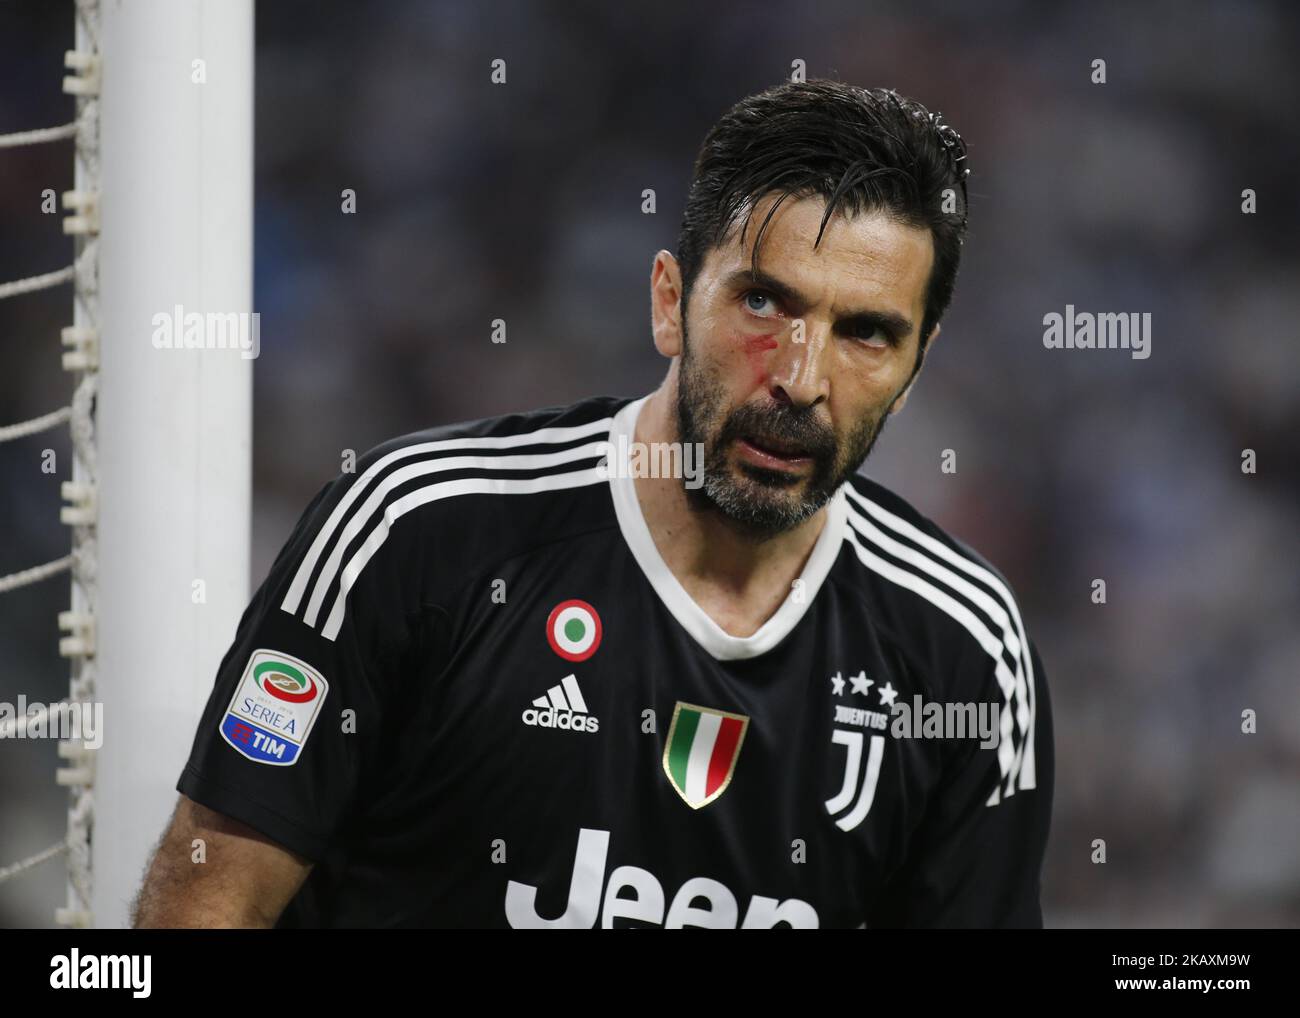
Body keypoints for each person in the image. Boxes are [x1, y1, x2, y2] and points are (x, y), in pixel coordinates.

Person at [133, 79, 1053, 929]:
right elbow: (212, 900)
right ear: (669, 303)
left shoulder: (965, 655)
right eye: (765, 303)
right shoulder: (416, 531)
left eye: (865, 333)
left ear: (913, 368)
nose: (801, 380)